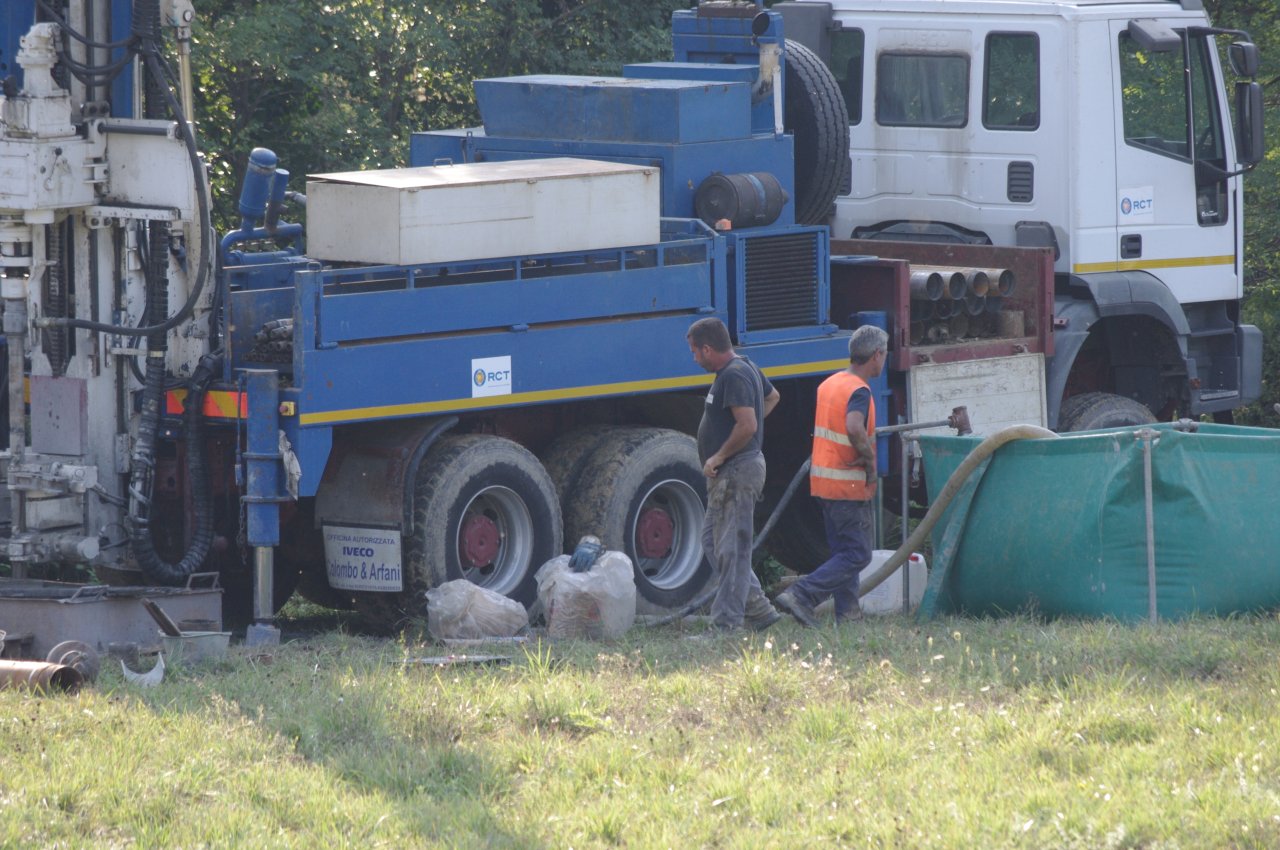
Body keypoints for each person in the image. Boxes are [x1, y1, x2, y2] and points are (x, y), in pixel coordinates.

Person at [775, 324, 888, 628]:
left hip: (823, 483)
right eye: (884, 355)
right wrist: (868, 462)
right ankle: (802, 594)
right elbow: (853, 427)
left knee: (842, 552)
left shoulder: (831, 383)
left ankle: (848, 615)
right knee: (858, 554)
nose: (884, 360)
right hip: (847, 484)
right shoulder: (859, 391)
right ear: (876, 355)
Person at [686, 317, 782, 632]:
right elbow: (772, 397)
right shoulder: (745, 367)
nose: (694, 358)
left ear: (708, 348)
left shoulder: (735, 375)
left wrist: (721, 453)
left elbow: (749, 424)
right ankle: (760, 610)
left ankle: (725, 625)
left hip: (737, 470)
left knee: (732, 550)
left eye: (695, 352)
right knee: (713, 543)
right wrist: (741, 428)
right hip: (735, 469)